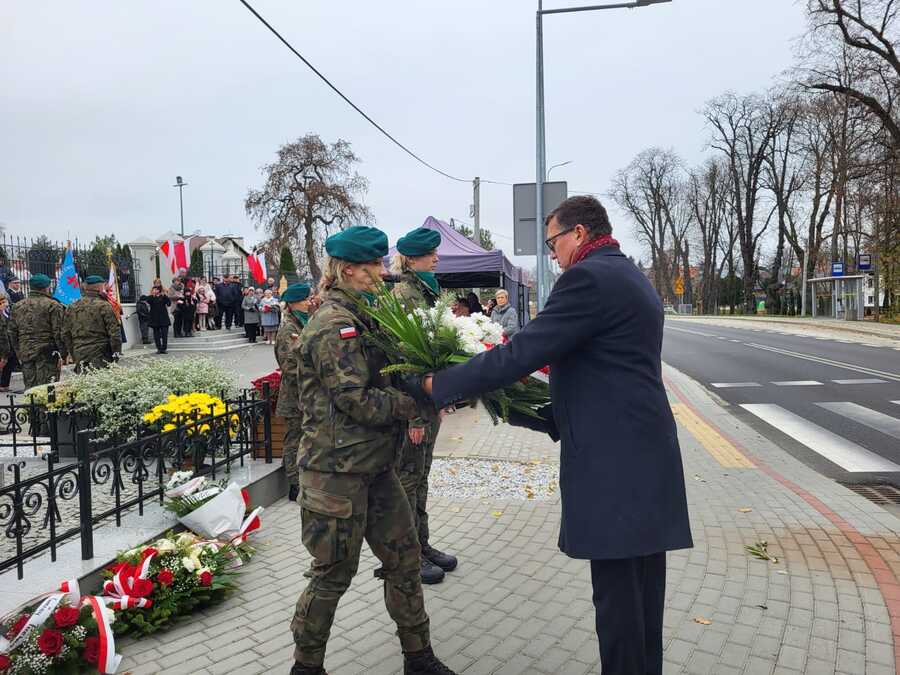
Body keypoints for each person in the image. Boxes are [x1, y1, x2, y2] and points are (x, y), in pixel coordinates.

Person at [420, 196, 693, 675]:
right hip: (644, 455)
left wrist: (436, 386)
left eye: (554, 242)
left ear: (580, 234)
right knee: (643, 599)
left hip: (614, 466)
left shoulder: (588, 279)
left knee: (618, 607)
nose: (552, 254)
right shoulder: (630, 275)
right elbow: (604, 370)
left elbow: (520, 353)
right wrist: (541, 415)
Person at [290, 225, 455, 675]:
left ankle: (419, 658)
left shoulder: (365, 316)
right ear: (346, 270)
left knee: (404, 559)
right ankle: (306, 667)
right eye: (373, 267)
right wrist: (417, 400)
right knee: (333, 575)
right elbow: (356, 400)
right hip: (335, 474)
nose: (382, 274)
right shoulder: (332, 325)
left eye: (382, 264)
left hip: (376, 468)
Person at [390, 226, 457, 585]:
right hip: (414, 407)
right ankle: (407, 556)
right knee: (408, 481)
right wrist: (415, 414)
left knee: (421, 478)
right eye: (431, 254)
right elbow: (404, 360)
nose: (437, 258)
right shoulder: (405, 294)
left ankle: (422, 544)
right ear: (413, 260)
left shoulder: (427, 292)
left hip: (428, 403)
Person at [274, 282, 312, 502]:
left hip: (304, 395)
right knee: (294, 440)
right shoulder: (289, 329)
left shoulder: (301, 323)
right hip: (294, 397)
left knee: (302, 439)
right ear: (294, 303)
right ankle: (294, 484)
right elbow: (289, 367)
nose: (309, 302)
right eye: (305, 299)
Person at [9, 274, 66, 389]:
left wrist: (18, 352)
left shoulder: (17, 306)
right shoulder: (53, 305)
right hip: (46, 352)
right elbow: (58, 332)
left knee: (30, 388)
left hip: (26, 351)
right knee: (47, 388)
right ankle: (44, 407)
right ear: (46, 287)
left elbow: (12, 332)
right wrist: (63, 353)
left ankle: (32, 407)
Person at [62, 275, 122, 372]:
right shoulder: (104, 306)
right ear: (100, 287)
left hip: (79, 354)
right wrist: (116, 355)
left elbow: (65, 334)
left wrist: (73, 353)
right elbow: (114, 334)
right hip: (101, 356)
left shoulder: (72, 307)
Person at [0, 276, 24, 392]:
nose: (5, 303)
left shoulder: (7, 309)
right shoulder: (2, 311)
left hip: (8, 335)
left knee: (10, 359)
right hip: (3, 337)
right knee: (5, 359)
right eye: (3, 302)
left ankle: (4, 384)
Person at [147, 286, 172, 354]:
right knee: (156, 335)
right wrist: (153, 295)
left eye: (156, 289)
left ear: (159, 290)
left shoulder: (163, 297)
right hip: (155, 319)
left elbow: (169, 304)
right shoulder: (151, 297)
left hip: (164, 318)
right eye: (153, 289)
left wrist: (165, 296)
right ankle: (159, 348)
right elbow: (148, 301)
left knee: (164, 334)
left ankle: (164, 348)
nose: (154, 290)